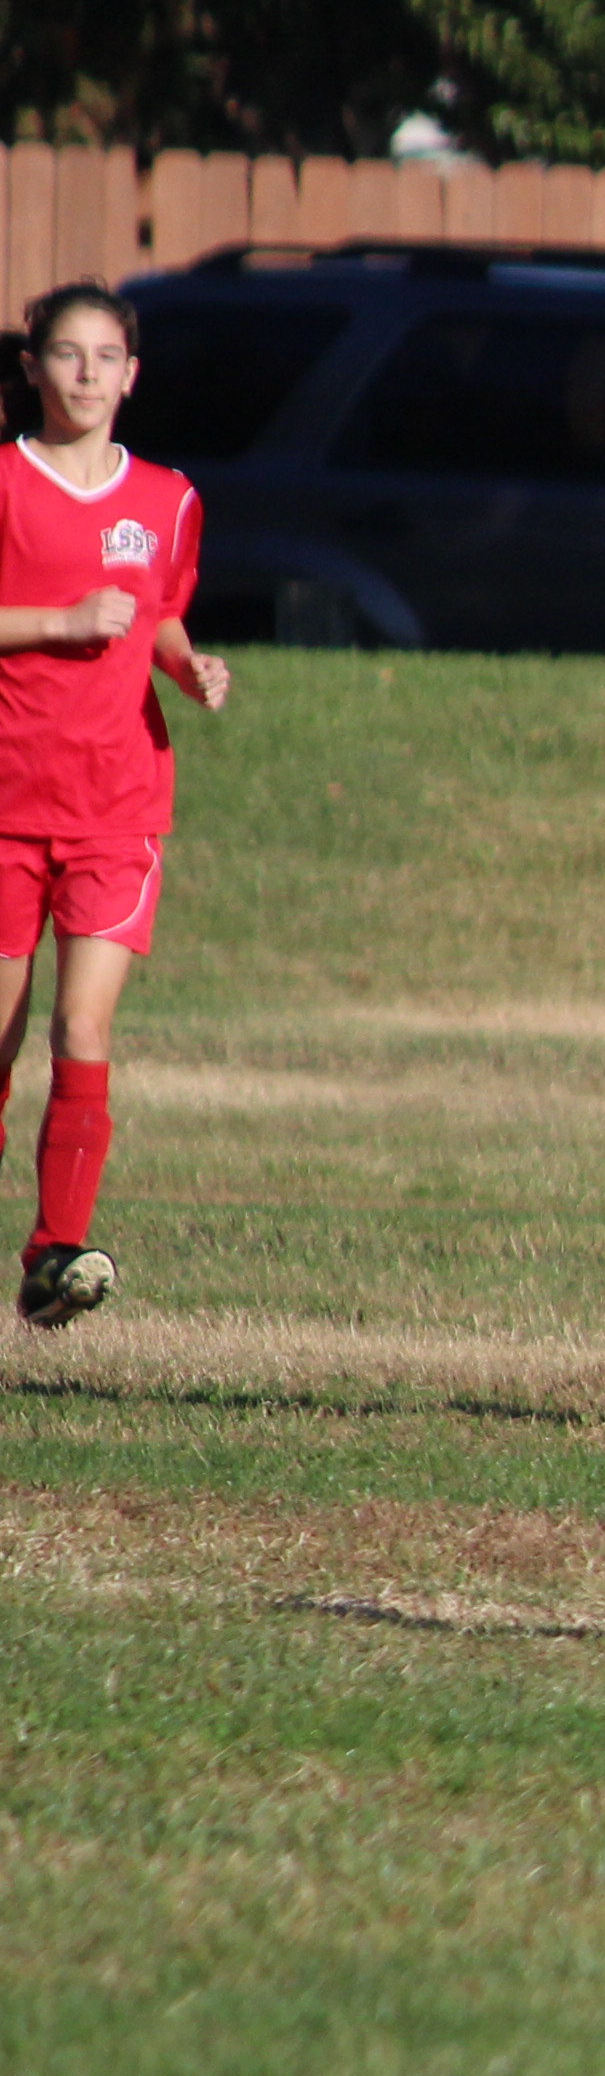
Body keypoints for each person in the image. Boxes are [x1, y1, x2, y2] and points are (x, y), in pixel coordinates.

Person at [0, 283, 228, 1331]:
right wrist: (60, 621)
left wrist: (188, 666)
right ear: (32, 369)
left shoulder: (168, 500)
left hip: (117, 802)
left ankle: (55, 1253)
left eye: (106, 357)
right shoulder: (7, 482)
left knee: (82, 1024)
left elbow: (160, 614)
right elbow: (81, 615)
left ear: (133, 375)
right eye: (67, 354)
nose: (86, 374)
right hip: (10, 801)